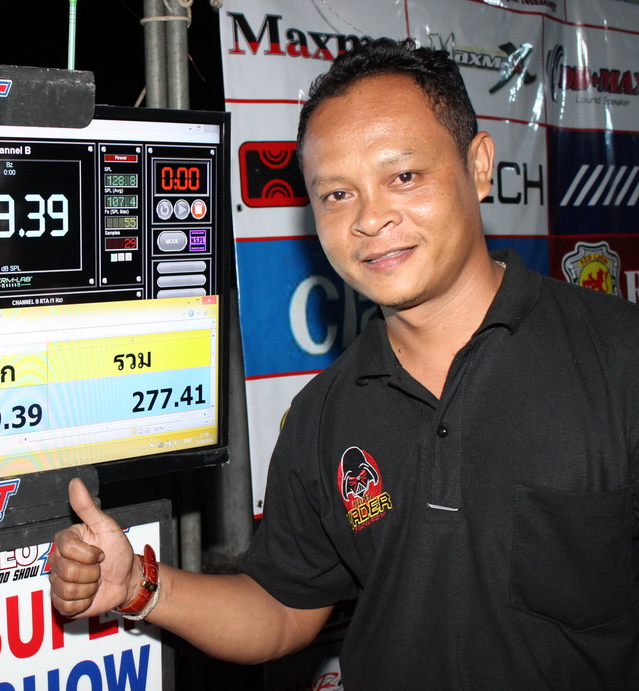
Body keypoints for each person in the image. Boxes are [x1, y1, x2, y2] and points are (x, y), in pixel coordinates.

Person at [48, 38, 639, 688]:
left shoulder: (617, 358)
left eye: (403, 177)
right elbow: (281, 609)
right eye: (336, 194)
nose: (370, 218)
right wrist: (139, 585)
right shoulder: (323, 413)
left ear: (477, 166)